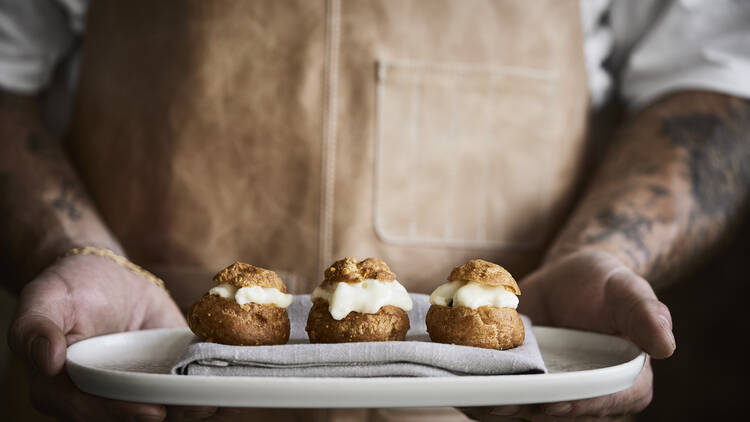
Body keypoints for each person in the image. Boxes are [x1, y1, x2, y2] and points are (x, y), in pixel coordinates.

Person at [2, 0, 749, 421]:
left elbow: (712, 77)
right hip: (152, 385)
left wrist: (613, 253)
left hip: (506, 398)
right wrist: (71, 250)